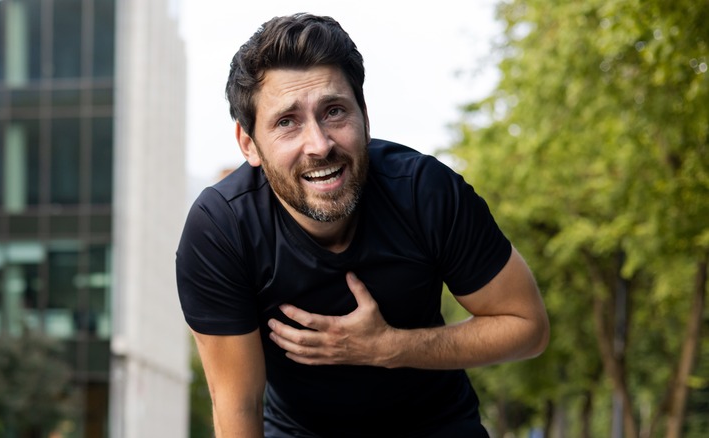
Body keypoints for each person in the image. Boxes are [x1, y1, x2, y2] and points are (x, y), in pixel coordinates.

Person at [176, 13, 549, 437]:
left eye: (334, 112)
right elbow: (237, 404)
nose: (319, 145)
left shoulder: (424, 193)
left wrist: (389, 348)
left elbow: (527, 326)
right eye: (287, 122)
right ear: (249, 144)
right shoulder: (220, 231)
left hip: (436, 425)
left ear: (365, 118)